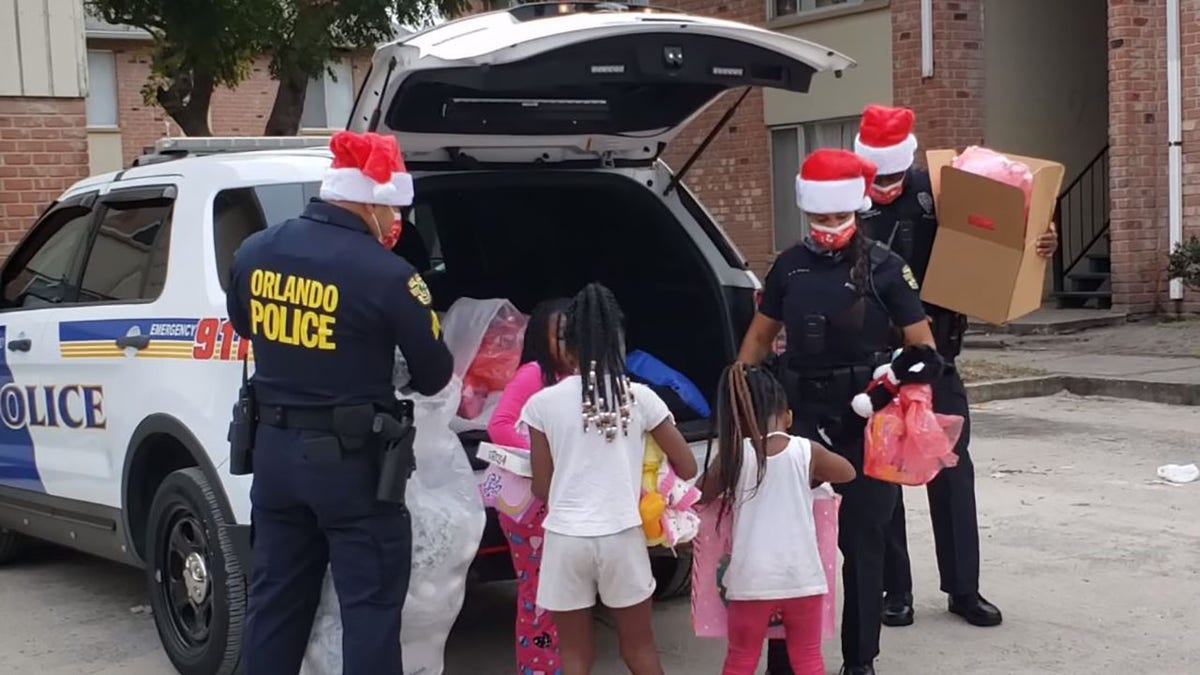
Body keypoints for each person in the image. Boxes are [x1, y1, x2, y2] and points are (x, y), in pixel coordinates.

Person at [226, 130, 454, 675]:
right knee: (370, 611)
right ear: (369, 199)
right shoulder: (388, 275)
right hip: (354, 468)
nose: (396, 221)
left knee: (276, 603)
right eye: (393, 208)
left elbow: (244, 324)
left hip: (275, 456)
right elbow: (434, 373)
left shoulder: (256, 250)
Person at [853, 104, 1058, 629]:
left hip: (936, 358)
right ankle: (893, 591)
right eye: (878, 179)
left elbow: (999, 231)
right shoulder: (847, 201)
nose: (885, 188)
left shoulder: (937, 191)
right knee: (882, 479)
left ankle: (964, 589)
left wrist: (1039, 239)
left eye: (893, 177)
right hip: (875, 363)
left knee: (951, 472)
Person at [736, 148, 937, 675]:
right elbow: (759, 339)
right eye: (819, 218)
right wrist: (740, 398)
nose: (829, 227)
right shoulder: (790, 265)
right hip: (797, 416)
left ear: (855, 209)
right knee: (787, 541)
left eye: (837, 217)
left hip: (866, 420)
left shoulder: (888, 267)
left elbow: (923, 351)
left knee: (863, 544)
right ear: (808, 212)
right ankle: (783, 657)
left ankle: (859, 660)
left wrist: (884, 393)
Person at [522, 283, 698, 675]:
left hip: (566, 539)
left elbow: (541, 488)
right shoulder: (640, 398)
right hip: (622, 535)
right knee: (639, 651)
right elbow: (687, 467)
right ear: (616, 342)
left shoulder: (541, 405)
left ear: (566, 347)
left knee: (574, 658)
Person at [699, 364, 856, 675]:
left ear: (739, 419)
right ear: (788, 416)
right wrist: (807, 480)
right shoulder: (806, 451)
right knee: (808, 659)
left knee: (741, 659)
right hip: (802, 578)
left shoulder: (733, 457)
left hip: (750, 580)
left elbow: (700, 494)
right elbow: (848, 472)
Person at [486, 297, 573, 675]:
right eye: (560, 335)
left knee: (566, 596)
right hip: (531, 508)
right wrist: (546, 453)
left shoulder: (585, 380)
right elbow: (499, 425)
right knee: (539, 597)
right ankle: (537, 666)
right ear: (540, 338)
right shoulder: (533, 375)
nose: (569, 343)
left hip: (566, 502)